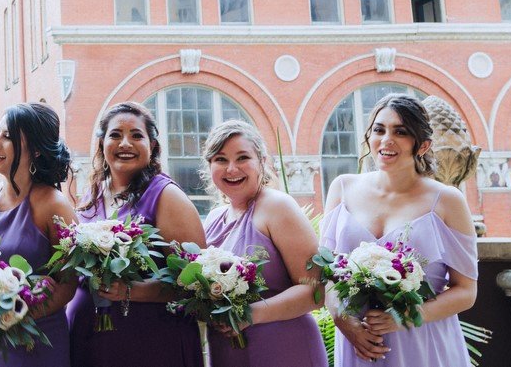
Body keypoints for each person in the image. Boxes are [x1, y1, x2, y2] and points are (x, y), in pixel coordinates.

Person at [321, 93, 477, 366]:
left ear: (423, 145)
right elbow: (328, 273)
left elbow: (466, 291)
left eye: (401, 132)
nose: (386, 140)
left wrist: (403, 317)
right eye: (379, 130)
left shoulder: (447, 200)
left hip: (421, 343)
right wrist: (343, 320)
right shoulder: (342, 188)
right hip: (359, 341)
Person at [66, 102, 205, 367]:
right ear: (102, 144)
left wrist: (132, 290)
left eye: (136, 135)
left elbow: (196, 281)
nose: (125, 143)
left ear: (152, 146)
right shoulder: (92, 195)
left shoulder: (166, 196)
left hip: (149, 342)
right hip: (90, 340)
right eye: (115, 135)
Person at [201, 119, 326, 367]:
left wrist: (248, 314)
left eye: (242, 158)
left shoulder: (277, 206)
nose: (231, 169)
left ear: (262, 161)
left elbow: (315, 291)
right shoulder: (214, 218)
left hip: (283, 347)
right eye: (221, 159)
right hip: (227, 351)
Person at [0, 103, 76, 367]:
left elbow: (69, 283)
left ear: (35, 149)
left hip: (36, 343)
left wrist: (15, 315)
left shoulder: (54, 204)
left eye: (8, 137)